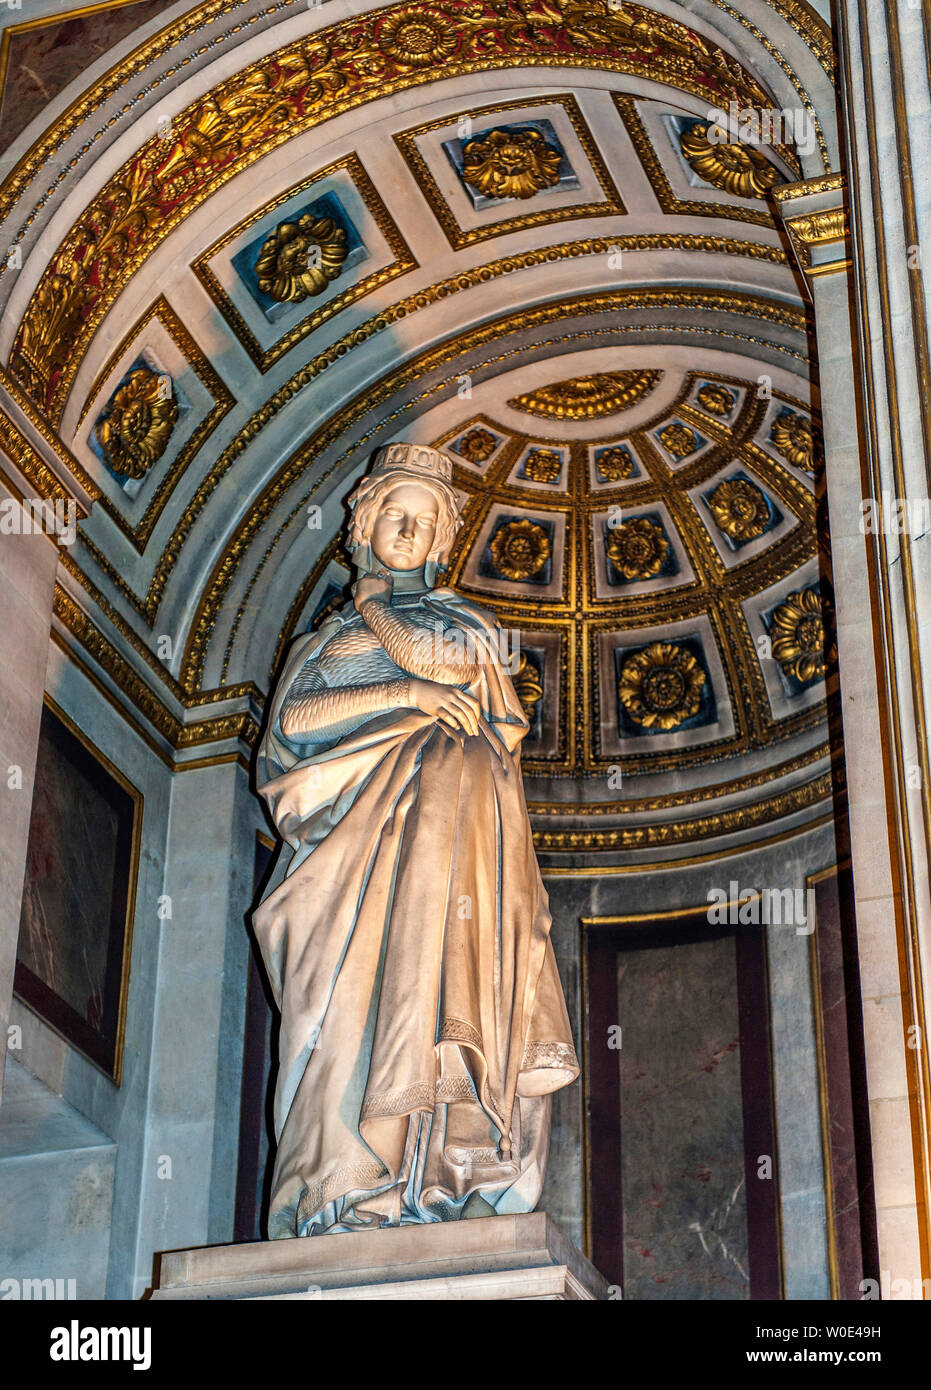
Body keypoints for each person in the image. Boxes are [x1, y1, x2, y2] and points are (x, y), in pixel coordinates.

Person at [253, 441, 579, 1237]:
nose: (407, 528)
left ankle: (443, 1179)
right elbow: (294, 723)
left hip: (456, 856)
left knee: (441, 996)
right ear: (363, 526)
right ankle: (345, 1189)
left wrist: (377, 611)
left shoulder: (462, 622)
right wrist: (401, 693)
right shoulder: (324, 642)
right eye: (393, 513)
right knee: (346, 1019)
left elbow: (449, 667)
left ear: (441, 546)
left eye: (424, 522)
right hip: (354, 861)